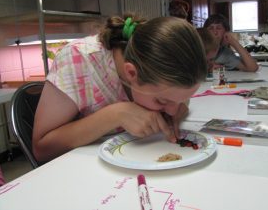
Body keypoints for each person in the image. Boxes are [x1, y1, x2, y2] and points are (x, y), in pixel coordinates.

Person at [32, 13, 207, 162]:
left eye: (181, 99)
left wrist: (180, 107)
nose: (171, 111)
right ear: (131, 73)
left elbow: (174, 99)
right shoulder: (78, 59)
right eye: (162, 100)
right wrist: (116, 115)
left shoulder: (164, 67)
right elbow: (41, 149)